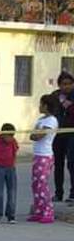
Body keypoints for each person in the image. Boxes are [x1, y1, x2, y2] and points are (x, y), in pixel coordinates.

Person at [28, 94, 59, 224]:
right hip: (37, 154)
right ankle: (39, 210)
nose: (39, 106)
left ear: (46, 105)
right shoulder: (41, 120)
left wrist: (35, 134)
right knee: (36, 184)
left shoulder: (51, 120)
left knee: (42, 184)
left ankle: (48, 211)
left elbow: (39, 136)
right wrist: (34, 134)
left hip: (45, 156)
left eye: (41, 104)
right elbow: (32, 135)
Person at [0, 123, 18, 224]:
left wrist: (13, 164)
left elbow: (14, 153)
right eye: (9, 136)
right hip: (0, 168)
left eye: (12, 136)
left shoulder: (13, 142)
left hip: (10, 168)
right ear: (3, 134)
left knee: (12, 192)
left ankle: (11, 215)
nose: (11, 138)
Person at [52, 71, 74, 202]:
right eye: (64, 84)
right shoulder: (55, 96)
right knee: (58, 164)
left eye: (70, 84)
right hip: (58, 133)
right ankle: (58, 193)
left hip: (72, 133)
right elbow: (48, 109)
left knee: (72, 163)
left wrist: (66, 102)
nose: (67, 86)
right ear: (59, 85)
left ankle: (73, 194)